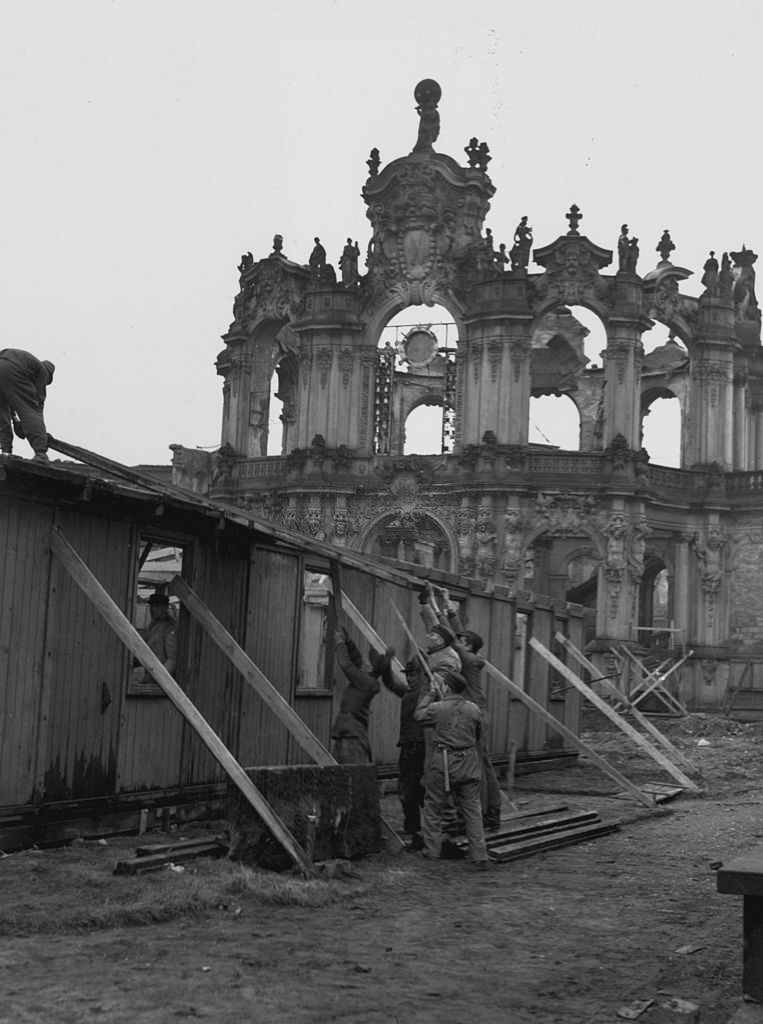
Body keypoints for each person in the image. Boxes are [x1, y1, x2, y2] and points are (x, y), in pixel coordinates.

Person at [430, 585, 503, 830]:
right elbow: (459, 634)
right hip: (476, 713)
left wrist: (435, 607)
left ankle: (486, 812)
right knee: (480, 762)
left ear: (469, 647)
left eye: (463, 642)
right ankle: (487, 811)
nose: (458, 643)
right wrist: (448, 605)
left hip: (476, 715)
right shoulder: (470, 656)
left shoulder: (469, 660)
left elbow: (453, 638)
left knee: (478, 764)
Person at [414, 668, 490, 869]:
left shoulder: (437, 708)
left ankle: (432, 851)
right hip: (469, 762)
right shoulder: (474, 709)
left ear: (446, 687)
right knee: (472, 809)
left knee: (433, 806)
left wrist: (431, 694)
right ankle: (479, 855)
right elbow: (479, 733)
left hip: (444, 761)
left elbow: (419, 715)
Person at [331, 629, 390, 764]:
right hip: (349, 732)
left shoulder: (366, 682)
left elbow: (346, 665)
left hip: (351, 735)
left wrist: (339, 643)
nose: (364, 663)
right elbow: (356, 658)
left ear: (371, 669)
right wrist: (347, 640)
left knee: (350, 771)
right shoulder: (367, 679)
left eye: (368, 663)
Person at [0, 349, 55, 461]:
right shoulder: (44, 371)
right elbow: (35, 406)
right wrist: (40, 435)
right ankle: (40, 454)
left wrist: (16, 420)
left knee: (1, 411)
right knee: (30, 410)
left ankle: (6, 452)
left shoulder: (29, 364)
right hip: (11, 366)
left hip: (2, 362)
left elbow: (10, 399)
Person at [134, 592, 178, 686]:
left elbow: (173, 661)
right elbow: (145, 646)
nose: (153, 609)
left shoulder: (171, 627)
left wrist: (158, 679)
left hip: (161, 681)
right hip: (150, 675)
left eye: (157, 606)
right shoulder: (153, 623)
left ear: (165, 608)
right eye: (151, 606)